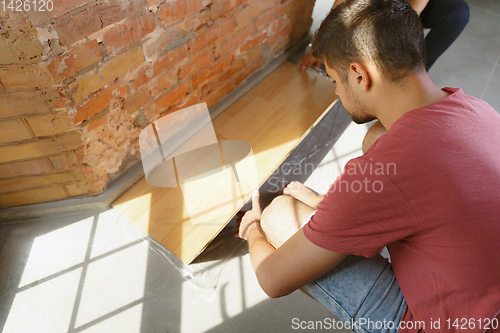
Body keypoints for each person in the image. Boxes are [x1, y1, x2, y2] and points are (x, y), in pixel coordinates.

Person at [238, 0, 500, 332]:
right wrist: (330, 206)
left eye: (335, 79)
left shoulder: (389, 168)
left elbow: (273, 279)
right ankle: (336, 215)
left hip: (448, 323)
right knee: (377, 134)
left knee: (278, 215)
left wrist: (252, 231)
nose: (335, 91)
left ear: (359, 74)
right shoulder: (478, 110)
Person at [298, 0, 470, 72]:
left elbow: (410, 16)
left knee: (458, 14)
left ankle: (414, 73)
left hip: (414, 6)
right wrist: (319, 46)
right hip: (382, 4)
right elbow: (340, 7)